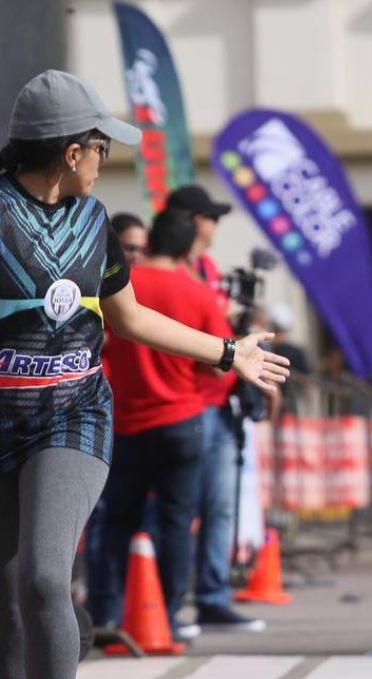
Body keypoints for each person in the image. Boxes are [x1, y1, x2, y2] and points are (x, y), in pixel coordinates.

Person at [0, 70, 288, 679]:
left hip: (75, 419)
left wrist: (227, 351)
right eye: (101, 146)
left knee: (45, 574)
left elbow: (132, 317)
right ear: (73, 149)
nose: (106, 160)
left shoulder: (92, 223)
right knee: (0, 599)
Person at [86, 209, 232, 634]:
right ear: (188, 248)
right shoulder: (198, 293)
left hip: (127, 422)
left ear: (149, 243)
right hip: (181, 421)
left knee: (115, 522)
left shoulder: (122, 286)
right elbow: (216, 365)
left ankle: (107, 615)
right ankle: (166, 617)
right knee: (175, 523)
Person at [168, 184, 264, 633]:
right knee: (177, 509)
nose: (215, 226)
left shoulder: (207, 267)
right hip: (182, 403)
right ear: (191, 219)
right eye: (211, 217)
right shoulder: (171, 269)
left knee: (220, 505)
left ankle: (212, 595)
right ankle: (166, 606)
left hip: (218, 402)